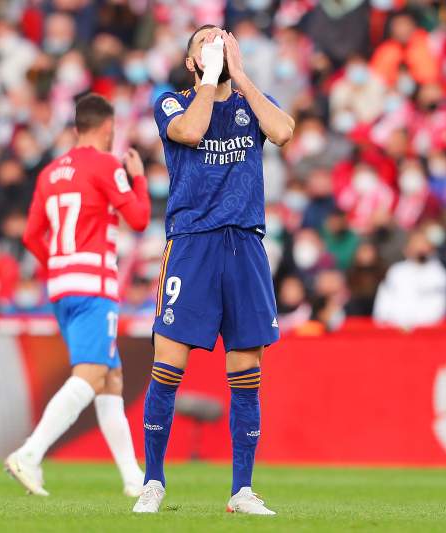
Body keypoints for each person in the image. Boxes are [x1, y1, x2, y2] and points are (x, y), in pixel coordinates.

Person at [133, 25, 294, 515]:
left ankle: (242, 489)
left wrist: (239, 76)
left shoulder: (251, 98)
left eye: (224, 41)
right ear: (191, 60)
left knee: (246, 371)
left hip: (245, 244)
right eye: (207, 43)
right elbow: (191, 132)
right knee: (168, 367)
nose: (217, 47)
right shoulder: (171, 101)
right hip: (192, 245)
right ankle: (153, 481)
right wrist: (211, 78)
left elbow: (283, 131)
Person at [5, 94, 151, 498]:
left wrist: (58, 265)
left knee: (110, 378)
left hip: (61, 286)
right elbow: (138, 219)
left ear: (75, 129)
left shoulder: (50, 172)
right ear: (108, 128)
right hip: (94, 286)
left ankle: (132, 478)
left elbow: (31, 236)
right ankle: (29, 454)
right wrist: (137, 177)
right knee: (89, 375)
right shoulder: (106, 164)